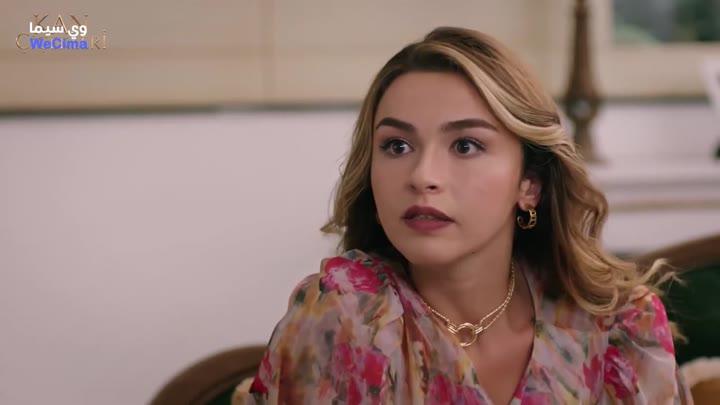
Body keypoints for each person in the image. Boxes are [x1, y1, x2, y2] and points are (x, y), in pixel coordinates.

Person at [232, 26, 692, 404]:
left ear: (529, 184)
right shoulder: (346, 319)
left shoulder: (619, 329)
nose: (423, 176)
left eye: (466, 145)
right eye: (397, 146)